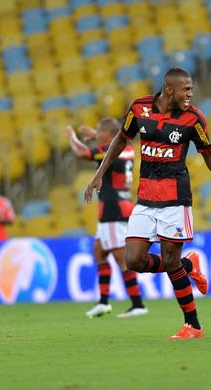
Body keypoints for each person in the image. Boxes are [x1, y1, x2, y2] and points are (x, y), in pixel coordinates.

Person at [85, 67, 211, 340]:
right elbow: (120, 140)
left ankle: (193, 325)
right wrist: (99, 173)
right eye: (186, 89)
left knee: (170, 260)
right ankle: (189, 266)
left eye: (191, 89)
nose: (191, 94)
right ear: (170, 90)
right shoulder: (139, 109)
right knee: (134, 260)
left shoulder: (194, 118)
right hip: (145, 199)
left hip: (175, 200)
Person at [67, 118, 148, 318]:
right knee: (99, 252)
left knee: (121, 257)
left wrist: (72, 137)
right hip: (115, 206)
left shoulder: (110, 149)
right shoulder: (127, 148)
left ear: (108, 134)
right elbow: (110, 141)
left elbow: (80, 152)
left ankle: (138, 304)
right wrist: (95, 134)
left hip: (113, 209)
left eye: (100, 133)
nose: (97, 137)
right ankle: (103, 302)